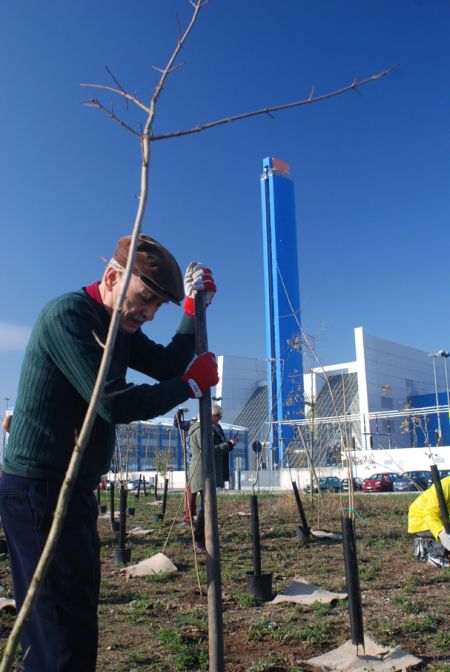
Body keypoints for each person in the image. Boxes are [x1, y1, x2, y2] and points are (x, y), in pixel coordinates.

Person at [0, 233, 218, 672]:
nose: (149, 313)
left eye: (159, 307)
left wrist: (193, 310)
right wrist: (189, 386)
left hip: (74, 487)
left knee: (77, 615)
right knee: (56, 629)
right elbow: (112, 401)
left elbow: (165, 364)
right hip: (38, 490)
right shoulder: (70, 316)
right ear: (113, 277)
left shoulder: (119, 326)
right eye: (146, 299)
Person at [188, 403, 237, 552]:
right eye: (217, 416)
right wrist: (228, 445)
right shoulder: (200, 430)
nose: (219, 419)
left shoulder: (211, 428)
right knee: (206, 508)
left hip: (208, 471)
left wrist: (228, 444)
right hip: (202, 472)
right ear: (209, 415)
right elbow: (209, 450)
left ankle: (206, 540)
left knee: (208, 507)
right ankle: (198, 540)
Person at [408, 474, 450, 568]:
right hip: (420, 519)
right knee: (445, 533)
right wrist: (442, 533)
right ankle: (435, 555)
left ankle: (424, 545)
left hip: (438, 518)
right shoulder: (445, 486)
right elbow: (430, 514)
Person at [173, 408, 197, 525]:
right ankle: (189, 516)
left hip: (193, 464)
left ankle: (190, 516)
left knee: (192, 491)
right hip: (192, 464)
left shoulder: (191, 426)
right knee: (192, 491)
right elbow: (177, 423)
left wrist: (180, 412)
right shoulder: (192, 426)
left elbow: (177, 423)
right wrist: (179, 412)